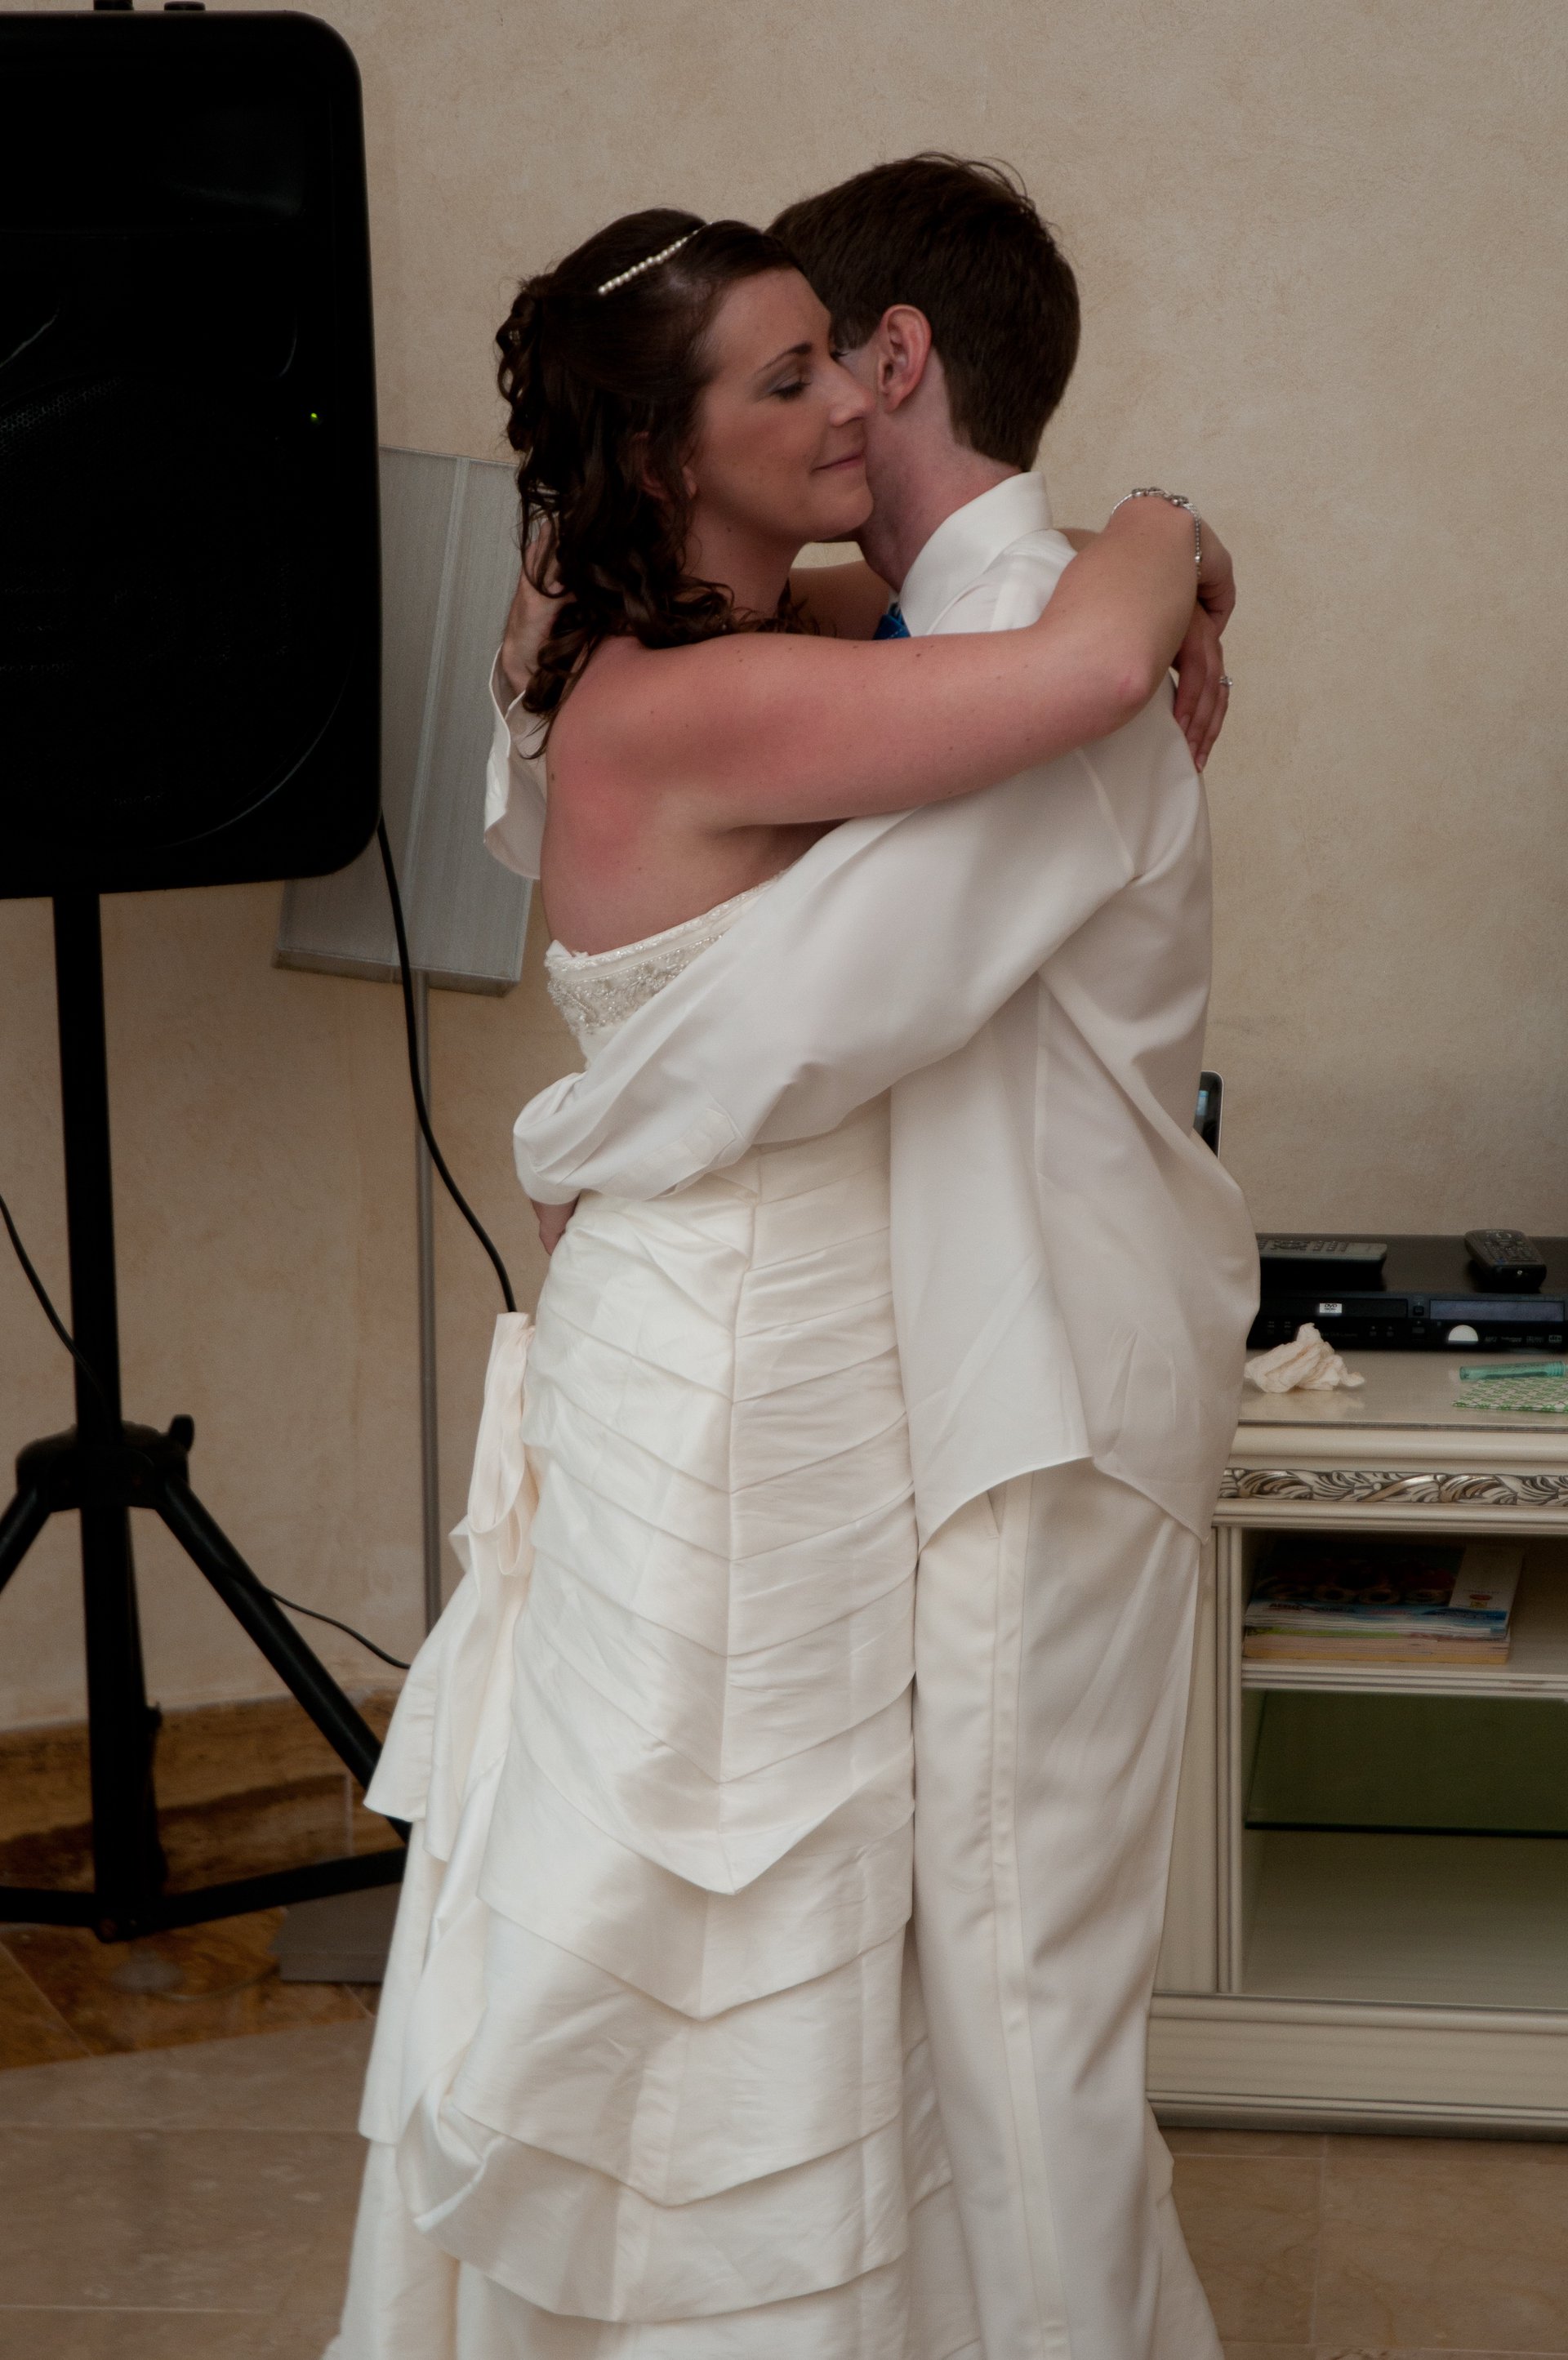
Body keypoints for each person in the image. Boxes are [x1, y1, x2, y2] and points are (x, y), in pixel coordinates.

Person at [327, 198, 1229, 2360]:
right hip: (734, 1357)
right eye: (786, 376)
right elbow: (1086, 670)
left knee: (812, 1890)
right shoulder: (710, 698)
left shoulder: (704, 637)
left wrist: (1130, 558)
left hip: (790, 1334)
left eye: (841, 355)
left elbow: (936, 620)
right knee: (705, 1867)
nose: (842, 405)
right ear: (666, 453)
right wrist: (1171, 527)